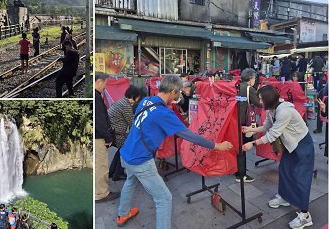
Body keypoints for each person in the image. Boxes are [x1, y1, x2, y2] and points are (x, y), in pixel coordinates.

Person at [116, 75, 233, 228]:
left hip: (126, 153)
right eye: (178, 93)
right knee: (164, 198)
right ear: (172, 92)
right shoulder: (164, 113)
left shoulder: (145, 101)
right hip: (141, 160)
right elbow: (188, 135)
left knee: (130, 181)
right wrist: (217, 145)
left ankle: (122, 214)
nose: (178, 96)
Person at [242, 85, 315, 229]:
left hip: (302, 146)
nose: (260, 102)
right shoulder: (272, 109)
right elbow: (266, 127)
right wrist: (251, 129)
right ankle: (285, 197)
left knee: (300, 178)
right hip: (290, 145)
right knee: (285, 171)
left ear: (268, 99)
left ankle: (305, 216)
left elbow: (272, 134)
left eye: (261, 99)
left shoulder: (284, 111)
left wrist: (253, 143)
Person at [95, 72, 120, 202]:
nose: (105, 87)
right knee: (101, 166)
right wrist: (108, 138)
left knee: (100, 165)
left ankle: (99, 191)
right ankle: (101, 194)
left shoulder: (97, 96)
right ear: (98, 82)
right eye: (104, 83)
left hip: (98, 136)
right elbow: (99, 121)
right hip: (99, 137)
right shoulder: (96, 97)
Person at [108, 86, 142, 181]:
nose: (137, 101)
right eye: (137, 98)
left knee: (121, 149)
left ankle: (112, 171)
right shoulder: (125, 106)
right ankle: (118, 173)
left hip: (112, 132)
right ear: (133, 96)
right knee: (125, 149)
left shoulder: (121, 101)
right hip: (116, 134)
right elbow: (132, 123)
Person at [235, 68, 263, 183]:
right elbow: (258, 104)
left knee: (238, 146)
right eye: (254, 78)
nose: (254, 80)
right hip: (245, 122)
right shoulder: (249, 88)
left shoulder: (237, 86)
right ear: (251, 78)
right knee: (244, 147)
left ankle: (237, 170)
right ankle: (241, 175)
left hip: (235, 120)